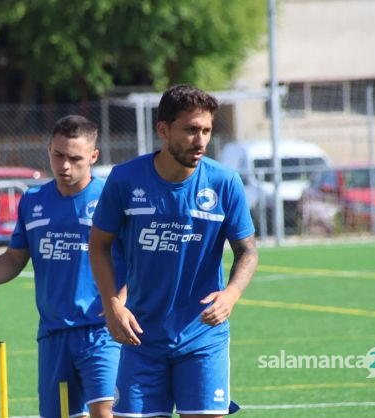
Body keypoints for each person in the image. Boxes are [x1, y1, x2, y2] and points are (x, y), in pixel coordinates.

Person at [89, 84, 259, 417]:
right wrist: (112, 305)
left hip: (202, 338)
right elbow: (98, 245)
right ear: (163, 130)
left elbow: (247, 251)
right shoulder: (125, 179)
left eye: (207, 130)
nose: (201, 141)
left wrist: (231, 295)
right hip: (141, 339)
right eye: (191, 130)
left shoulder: (225, 182)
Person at [0, 115, 122, 418]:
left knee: (106, 413)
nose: (64, 165)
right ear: (49, 148)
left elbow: (137, 262)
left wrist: (121, 302)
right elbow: (14, 257)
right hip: (53, 333)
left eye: (75, 158)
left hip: (102, 331)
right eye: (58, 155)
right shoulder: (33, 201)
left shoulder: (110, 198)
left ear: (93, 157)